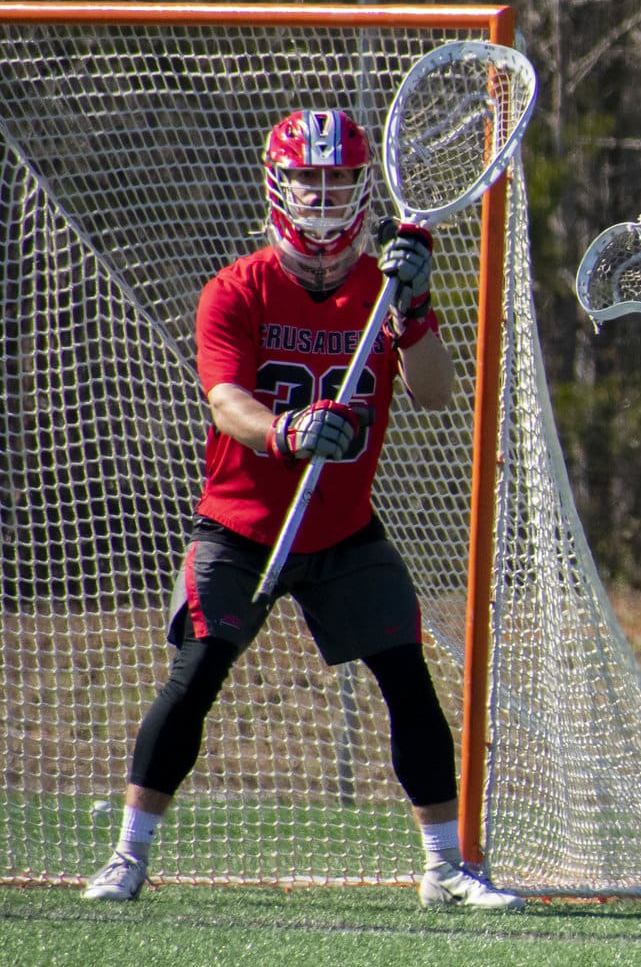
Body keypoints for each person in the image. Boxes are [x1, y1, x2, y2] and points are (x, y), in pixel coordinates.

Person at [83, 109, 516, 909]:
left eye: (339, 180)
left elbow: (434, 392)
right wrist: (286, 431)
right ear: (278, 184)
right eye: (309, 179)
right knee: (196, 675)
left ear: (361, 189)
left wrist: (415, 311)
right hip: (241, 526)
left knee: (408, 682)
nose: (323, 195)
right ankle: (128, 855)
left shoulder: (381, 288)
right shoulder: (237, 288)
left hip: (344, 529)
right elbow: (224, 402)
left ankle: (447, 868)